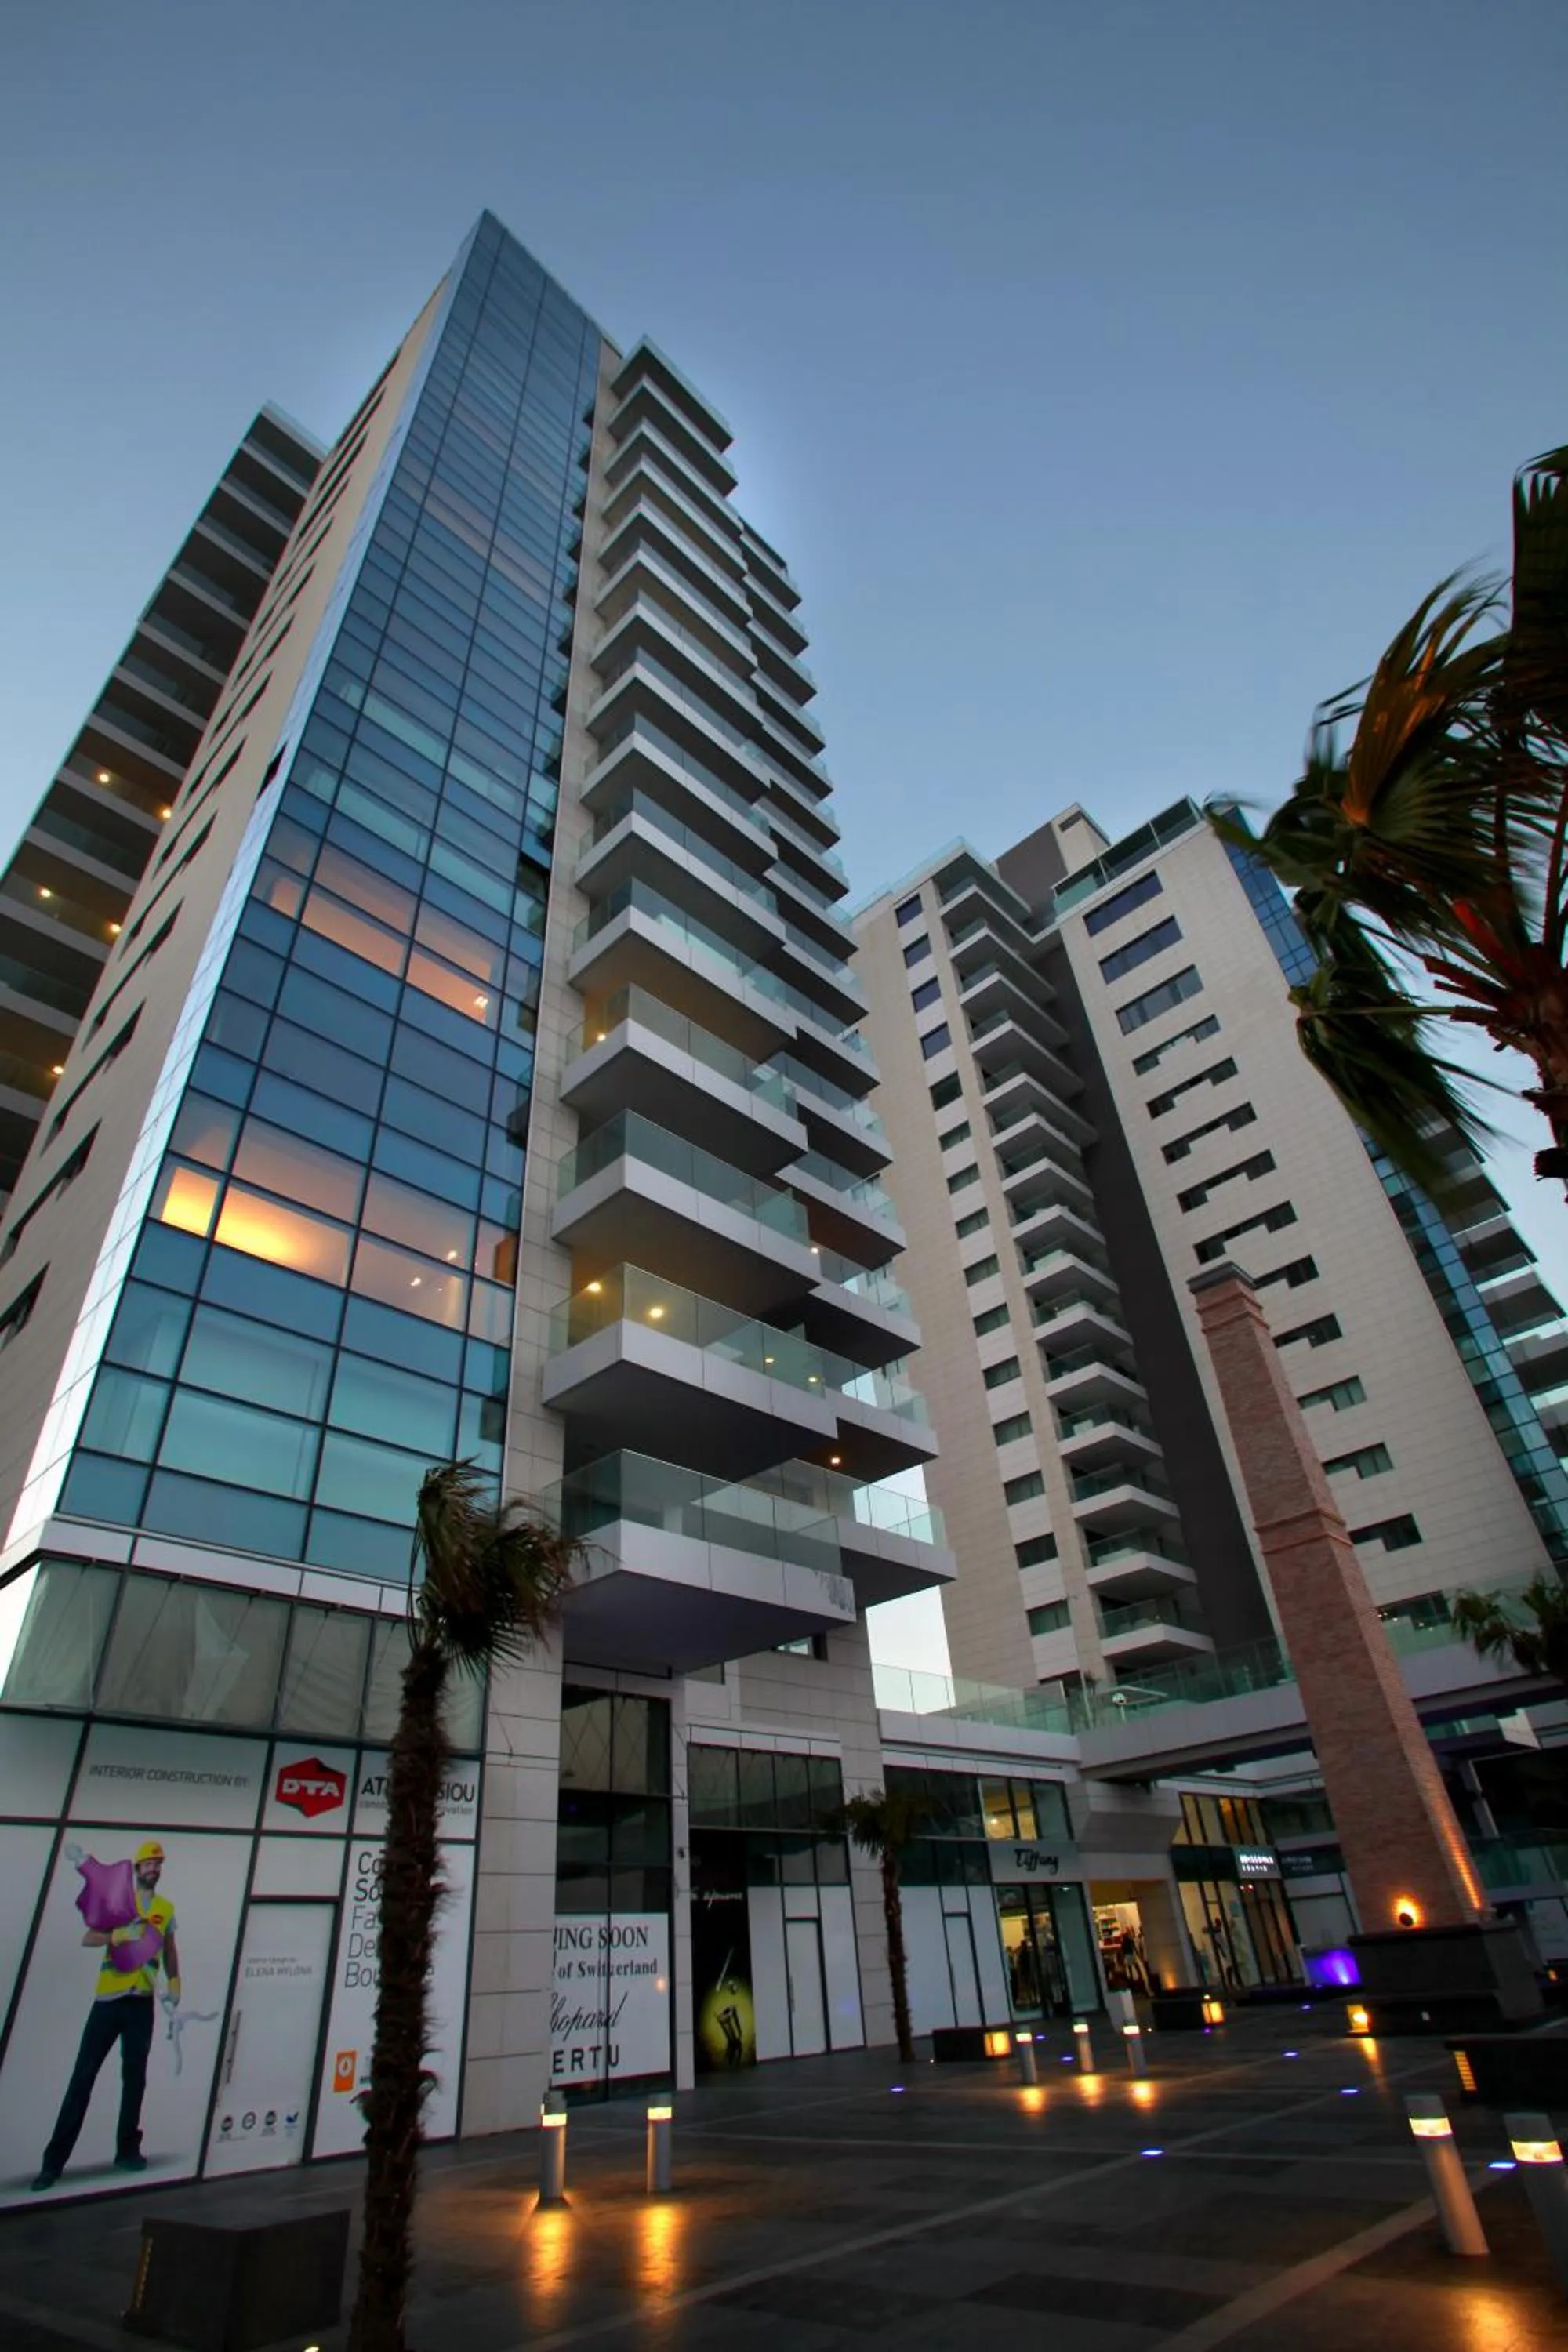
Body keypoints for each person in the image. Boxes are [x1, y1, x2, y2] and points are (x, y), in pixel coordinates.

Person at [31, 1839, 180, 2191]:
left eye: (159, 1863)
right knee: (83, 2078)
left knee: (135, 2079)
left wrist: (175, 1983)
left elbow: (171, 1950)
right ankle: (53, 2163)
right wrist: (117, 1934)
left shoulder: (165, 1908)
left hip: (141, 2004)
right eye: (149, 1863)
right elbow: (89, 1938)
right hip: (109, 2002)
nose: (154, 1869)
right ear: (137, 1867)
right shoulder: (119, 1900)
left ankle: (127, 2150)